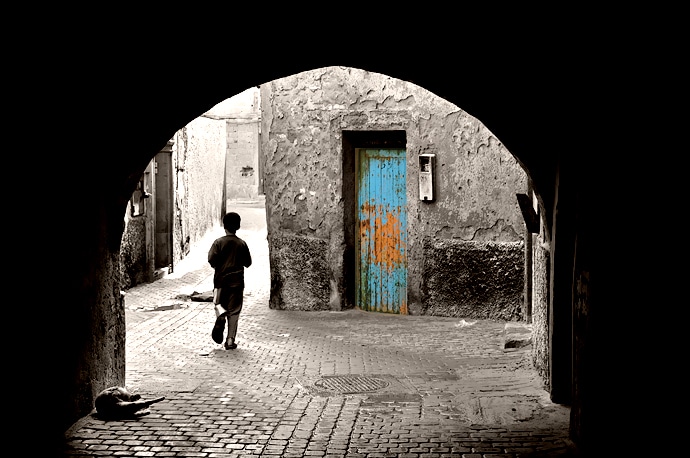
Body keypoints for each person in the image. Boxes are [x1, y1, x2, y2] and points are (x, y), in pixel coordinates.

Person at [208, 212, 252, 349]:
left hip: (220, 281)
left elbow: (211, 259)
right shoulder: (242, 244)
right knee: (234, 311)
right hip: (237, 282)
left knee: (218, 304)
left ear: (224, 226)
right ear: (238, 226)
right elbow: (248, 262)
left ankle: (220, 318)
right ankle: (230, 341)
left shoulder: (218, 243)